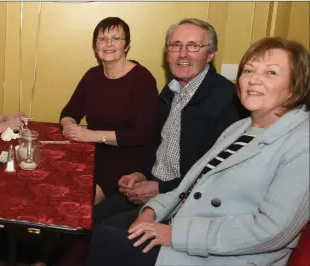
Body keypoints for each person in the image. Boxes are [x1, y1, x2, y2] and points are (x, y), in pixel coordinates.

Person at [87, 36, 310, 266]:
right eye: (249, 70)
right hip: (185, 227)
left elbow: (271, 231)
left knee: (104, 241)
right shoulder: (240, 128)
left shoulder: (302, 142)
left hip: (225, 256)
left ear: (295, 87)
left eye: (271, 73)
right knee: (97, 232)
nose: (254, 80)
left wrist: (173, 234)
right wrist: (151, 211)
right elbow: (192, 185)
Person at [93, 18, 247, 226]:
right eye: (175, 46)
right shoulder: (171, 90)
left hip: (185, 200)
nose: (183, 54)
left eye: (193, 46)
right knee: (90, 217)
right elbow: (156, 142)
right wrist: (140, 174)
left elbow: (217, 173)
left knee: (107, 232)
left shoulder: (227, 99)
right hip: (153, 185)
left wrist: (160, 189)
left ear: (210, 54)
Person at [59, 17, 159, 205]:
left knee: (78, 203)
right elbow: (69, 112)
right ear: (95, 45)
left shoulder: (142, 80)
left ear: (127, 45)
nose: (108, 44)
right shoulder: (92, 76)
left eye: (116, 39)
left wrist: (92, 135)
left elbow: (143, 135)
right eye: (102, 39)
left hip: (127, 159)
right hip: (92, 152)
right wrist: (70, 126)